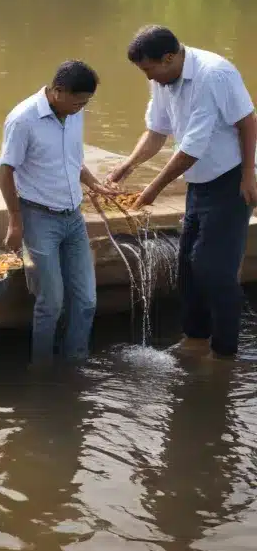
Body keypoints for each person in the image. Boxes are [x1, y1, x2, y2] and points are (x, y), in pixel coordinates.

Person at [106, 26, 257, 361]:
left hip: (231, 179)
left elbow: (245, 123)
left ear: (170, 58)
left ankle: (224, 352)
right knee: (187, 266)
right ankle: (196, 339)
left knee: (214, 268)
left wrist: (249, 174)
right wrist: (127, 166)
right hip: (199, 182)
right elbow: (157, 131)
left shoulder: (213, 75)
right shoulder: (162, 78)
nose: (148, 76)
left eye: (149, 69)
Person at [0, 61, 112, 366]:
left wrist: (94, 185)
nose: (81, 108)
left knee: (86, 301)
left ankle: (75, 362)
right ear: (58, 91)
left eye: (85, 103)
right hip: (38, 218)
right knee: (52, 303)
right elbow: (5, 170)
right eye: (78, 102)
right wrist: (15, 219)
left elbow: (72, 159)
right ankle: (43, 370)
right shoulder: (23, 119)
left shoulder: (73, 114)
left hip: (73, 217)